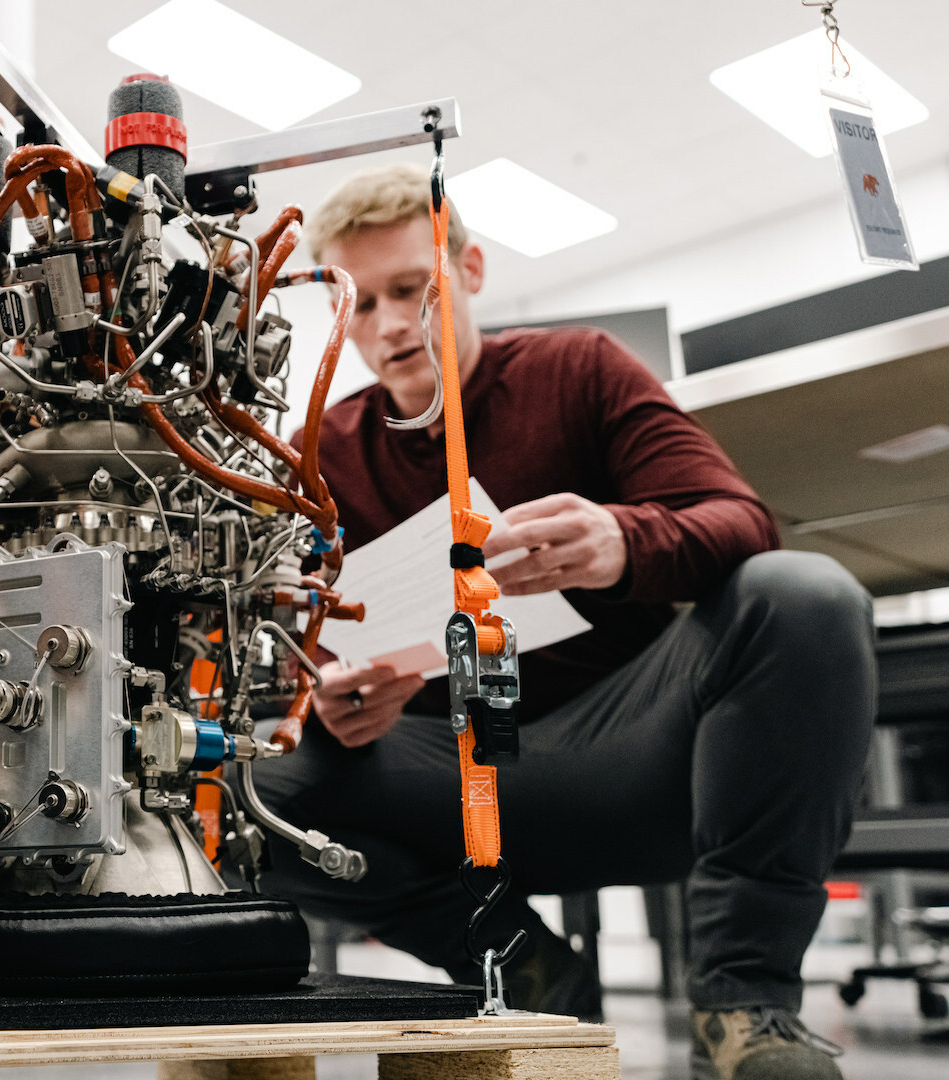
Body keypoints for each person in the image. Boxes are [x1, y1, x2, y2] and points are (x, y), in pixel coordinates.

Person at [258, 163, 875, 1080]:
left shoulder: (575, 370)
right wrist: (334, 704)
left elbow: (740, 520)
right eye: (362, 304)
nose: (390, 325)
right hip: (451, 773)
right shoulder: (328, 455)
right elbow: (301, 654)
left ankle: (745, 1005)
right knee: (247, 790)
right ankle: (522, 968)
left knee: (805, 594)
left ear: (468, 271)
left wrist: (624, 541)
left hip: (637, 753)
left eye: (412, 289)